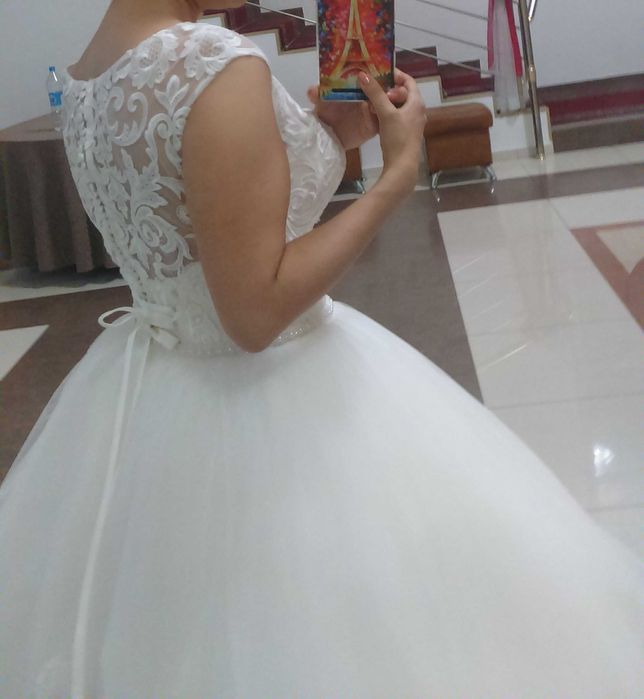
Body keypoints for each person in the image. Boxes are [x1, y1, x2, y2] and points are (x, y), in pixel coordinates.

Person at [0, 0, 642, 696]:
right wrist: (397, 175)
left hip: (146, 394)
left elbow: (210, 223)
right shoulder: (213, 64)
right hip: (271, 401)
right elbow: (254, 311)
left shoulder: (90, 74)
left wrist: (331, 138)